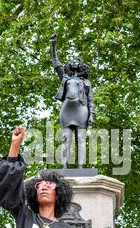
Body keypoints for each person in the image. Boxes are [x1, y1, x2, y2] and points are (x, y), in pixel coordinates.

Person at [51, 33, 95, 169]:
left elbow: (90, 100)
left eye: (78, 60)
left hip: (82, 110)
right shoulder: (65, 78)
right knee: (66, 139)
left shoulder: (86, 82)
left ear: (81, 66)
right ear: (70, 65)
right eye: (73, 60)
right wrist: (53, 44)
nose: (75, 61)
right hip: (66, 110)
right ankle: (64, 166)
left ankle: (81, 166)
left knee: (81, 139)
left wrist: (92, 115)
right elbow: (56, 63)